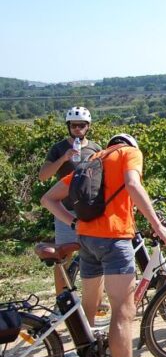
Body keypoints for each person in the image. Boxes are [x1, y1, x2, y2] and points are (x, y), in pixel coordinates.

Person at [41, 134, 166, 357]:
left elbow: (48, 199)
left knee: (90, 302)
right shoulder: (129, 154)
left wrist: (75, 224)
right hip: (114, 240)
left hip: (87, 240)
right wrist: (158, 226)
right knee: (123, 314)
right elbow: (133, 184)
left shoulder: (93, 159)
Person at [38, 107, 103, 305]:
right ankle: (62, 303)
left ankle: (94, 303)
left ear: (88, 127)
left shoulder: (95, 147)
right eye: (74, 125)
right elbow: (43, 176)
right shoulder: (58, 148)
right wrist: (63, 158)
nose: (77, 129)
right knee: (63, 258)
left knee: (95, 257)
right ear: (68, 126)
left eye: (81, 125)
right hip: (65, 210)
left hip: (91, 211)